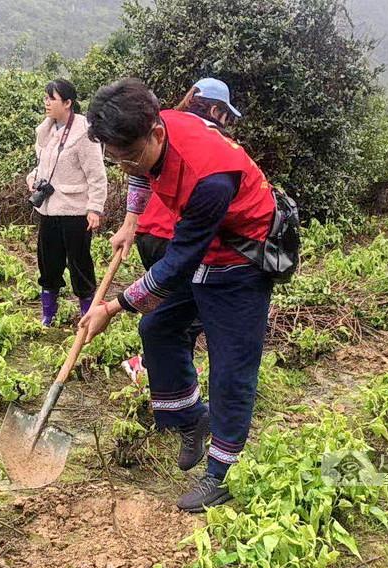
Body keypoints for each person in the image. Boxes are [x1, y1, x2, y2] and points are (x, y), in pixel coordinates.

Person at [81, 78, 276, 512]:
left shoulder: (209, 178)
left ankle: (221, 473)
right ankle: (192, 418)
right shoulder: (155, 130)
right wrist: (132, 219)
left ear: (155, 133)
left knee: (231, 366)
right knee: (159, 326)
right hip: (208, 248)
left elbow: (175, 266)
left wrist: (113, 307)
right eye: (117, 159)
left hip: (243, 260)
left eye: (130, 155)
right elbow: (144, 175)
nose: (126, 165)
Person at [113, 77, 241, 383]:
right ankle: (163, 371)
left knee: (165, 308)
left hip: (149, 235)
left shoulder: (162, 127)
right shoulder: (210, 145)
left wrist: (131, 222)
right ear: (215, 110)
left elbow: (138, 169)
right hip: (177, 241)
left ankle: (156, 367)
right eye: (226, 113)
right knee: (186, 314)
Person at [27, 78, 107, 326]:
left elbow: (96, 174)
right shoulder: (47, 130)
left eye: (52, 98)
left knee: (79, 264)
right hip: (49, 210)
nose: (47, 103)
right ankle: (48, 315)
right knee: (48, 263)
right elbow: (44, 167)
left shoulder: (84, 132)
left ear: (68, 103)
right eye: (46, 98)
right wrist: (32, 179)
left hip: (75, 211)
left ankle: (87, 317)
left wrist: (94, 208)